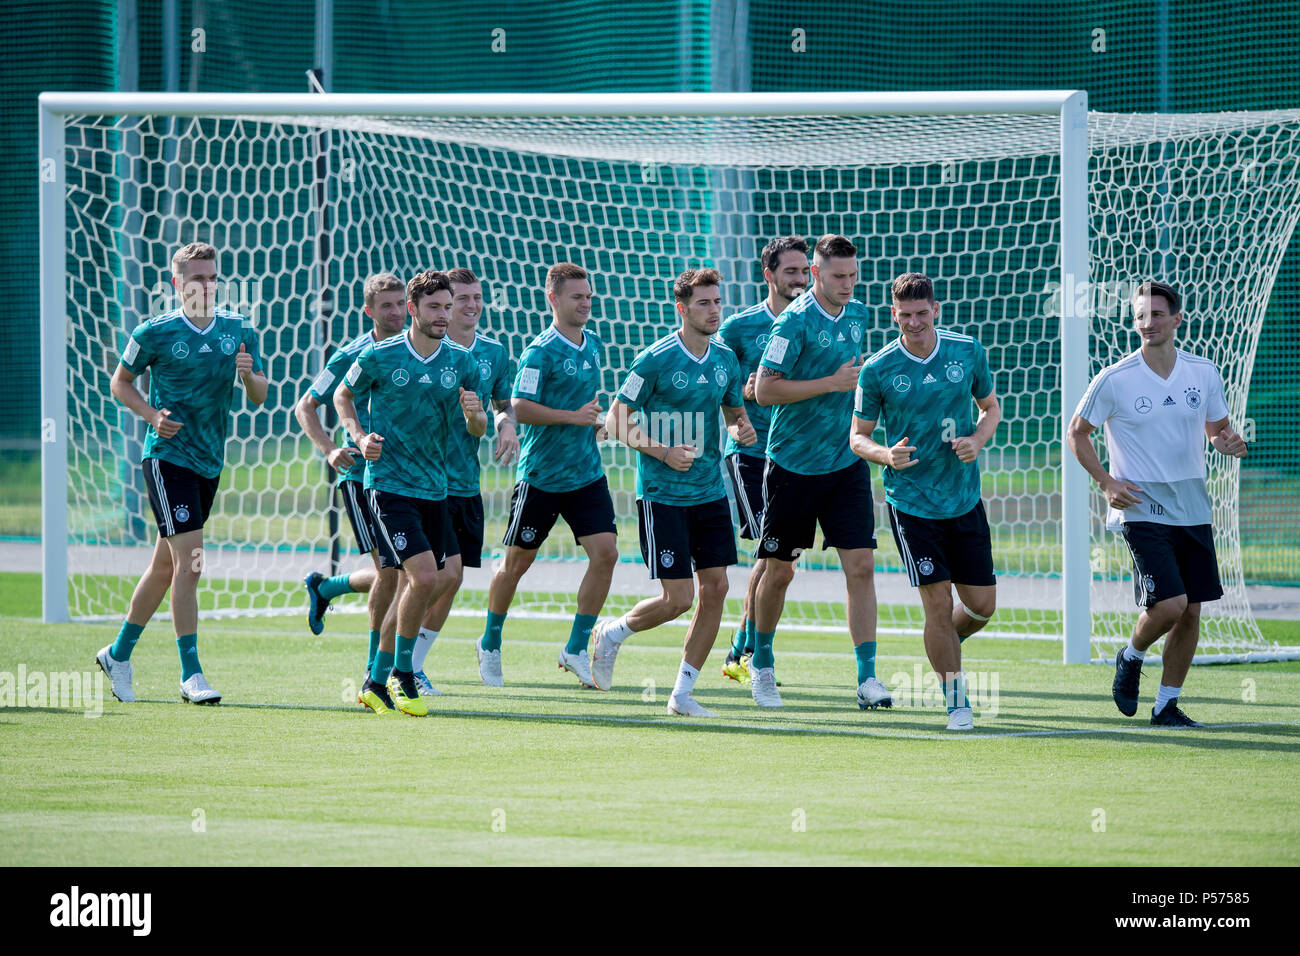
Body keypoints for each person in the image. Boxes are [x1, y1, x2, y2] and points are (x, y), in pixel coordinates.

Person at [1067, 280, 1247, 727]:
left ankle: (1166, 705)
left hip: (1193, 506)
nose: (1148, 323)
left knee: (1190, 612)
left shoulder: (1203, 372)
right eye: (1140, 316)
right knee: (1169, 605)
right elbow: (1076, 433)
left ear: (1177, 319)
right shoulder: (1114, 378)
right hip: (1140, 504)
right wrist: (1107, 482)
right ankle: (1130, 657)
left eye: (1157, 314)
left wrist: (1228, 442)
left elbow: (1217, 430)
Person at [97, 241, 268, 705]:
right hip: (166, 458)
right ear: (177, 283)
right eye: (196, 278)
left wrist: (249, 375)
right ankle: (191, 674)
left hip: (209, 461)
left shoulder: (238, 328)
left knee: (164, 566)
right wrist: (152, 416)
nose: (206, 285)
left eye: (212, 276)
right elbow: (120, 382)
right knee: (191, 564)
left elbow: (259, 395)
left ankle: (118, 654)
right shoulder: (153, 331)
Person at [597, 268, 754, 715]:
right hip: (662, 494)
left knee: (717, 588)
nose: (714, 310)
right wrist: (664, 452)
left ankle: (682, 694)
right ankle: (613, 633)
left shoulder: (725, 358)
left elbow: (733, 413)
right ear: (682, 309)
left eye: (717, 302)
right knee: (678, 598)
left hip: (708, 492)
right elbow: (615, 421)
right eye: (703, 303)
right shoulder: (654, 359)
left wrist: (740, 430)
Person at [850, 273, 1000, 730]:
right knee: (937, 604)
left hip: (964, 498)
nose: (914, 322)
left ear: (936, 310)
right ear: (892, 314)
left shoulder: (967, 350)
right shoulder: (878, 368)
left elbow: (990, 407)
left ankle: (941, 642)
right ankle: (957, 703)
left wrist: (977, 439)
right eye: (905, 315)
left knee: (982, 606)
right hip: (911, 502)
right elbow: (858, 437)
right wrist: (886, 456)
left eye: (922, 313)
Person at [333, 270, 486, 715]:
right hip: (388, 487)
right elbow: (343, 396)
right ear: (414, 310)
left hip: (436, 490)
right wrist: (359, 437)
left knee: (421, 583)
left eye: (448, 306)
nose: (445, 314)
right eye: (435, 307)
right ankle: (403, 675)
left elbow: (475, 428)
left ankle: (374, 682)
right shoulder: (379, 356)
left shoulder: (461, 362)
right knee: (421, 578)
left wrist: (475, 415)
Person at [750, 234, 888, 710]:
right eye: (838, 276)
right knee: (781, 571)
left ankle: (868, 678)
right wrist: (830, 383)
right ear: (815, 274)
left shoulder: (858, 313)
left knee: (862, 565)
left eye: (853, 275)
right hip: (793, 464)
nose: (848, 284)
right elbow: (765, 391)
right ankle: (762, 663)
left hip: (846, 462)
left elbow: (855, 377)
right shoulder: (793, 322)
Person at [480, 263, 619, 688]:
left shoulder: (593, 343)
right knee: (516, 564)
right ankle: (489, 643)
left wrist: (594, 422)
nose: (585, 303)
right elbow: (519, 406)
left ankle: (575, 648)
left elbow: (586, 402)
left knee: (607, 554)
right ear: (553, 299)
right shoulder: (540, 351)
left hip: (586, 474)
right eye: (576, 296)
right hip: (540, 476)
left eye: (589, 295)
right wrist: (572, 418)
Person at [294, 273, 405, 695]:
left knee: (406, 573)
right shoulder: (352, 354)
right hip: (361, 478)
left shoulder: (419, 351)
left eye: (400, 304)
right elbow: (306, 405)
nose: (395, 313)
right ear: (369, 311)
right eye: (386, 306)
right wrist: (328, 450)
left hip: (413, 479)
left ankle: (327, 587)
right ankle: (376, 669)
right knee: (393, 571)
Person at [716, 236, 809, 686]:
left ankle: (741, 649)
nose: (800, 278)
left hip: (798, 457)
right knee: (777, 560)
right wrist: (740, 405)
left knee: (779, 563)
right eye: (790, 271)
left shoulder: (814, 321)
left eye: (804, 270)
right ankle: (752, 654)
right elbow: (713, 380)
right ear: (769, 275)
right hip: (751, 456)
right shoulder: (738, 328)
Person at [422, 268, 519, 688]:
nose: (472, 305)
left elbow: (504, 405)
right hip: (422, 482)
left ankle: (409, 664)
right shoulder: (422, 350)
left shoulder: (494, 354)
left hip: (465, 482)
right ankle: (394, 665)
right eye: (462, 299)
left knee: (450, 579)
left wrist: (507, 424)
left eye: (477, 297)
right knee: (433, 576)